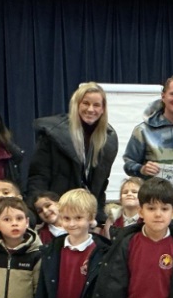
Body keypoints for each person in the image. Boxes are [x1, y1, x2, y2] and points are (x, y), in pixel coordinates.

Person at [28, 82, 119, 225]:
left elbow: (101, 185)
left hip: (85, 217)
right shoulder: (52, 135)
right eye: (86, 103)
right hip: (56, 216)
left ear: (103, 109)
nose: (90, 109)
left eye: (96, 105)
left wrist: (99, 218)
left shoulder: (108, 140)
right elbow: (38, 177)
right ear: (76, 105)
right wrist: (41, 212)